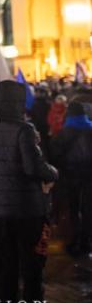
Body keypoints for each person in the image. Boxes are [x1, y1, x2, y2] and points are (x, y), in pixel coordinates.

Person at [0, 81, 59, 303]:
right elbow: (33, 167)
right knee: (32, 271)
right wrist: (52, 172)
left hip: (1, 210)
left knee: (6, 270)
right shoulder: (24, 130)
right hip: (28, 210)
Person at [49, 101, 92, 256]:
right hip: (89, 174)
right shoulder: (90, 128)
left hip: (71, 175)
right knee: (88, 208)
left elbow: (54, 155)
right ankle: (87, 242)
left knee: (73, 209)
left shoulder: (64, 132)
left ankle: (74, 241)